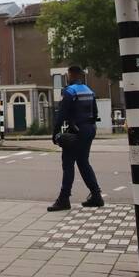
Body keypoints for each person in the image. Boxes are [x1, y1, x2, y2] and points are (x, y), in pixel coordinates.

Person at [48, 66, 103, 211]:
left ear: (70, 75)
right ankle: (96, 196)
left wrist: (55, 133)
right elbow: (95, 113)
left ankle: (64, 199)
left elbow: (61, 115)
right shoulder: (89, 90)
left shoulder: (70, 91)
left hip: (76, 131)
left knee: (68, 164)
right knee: (83, 162)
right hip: (89, 130)